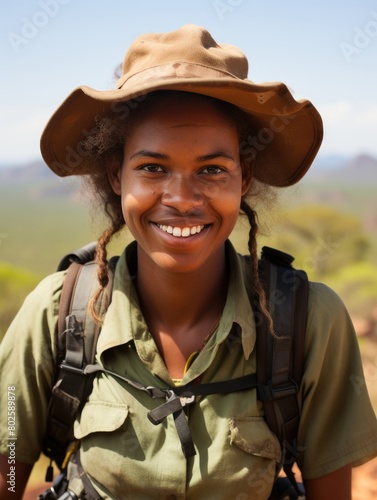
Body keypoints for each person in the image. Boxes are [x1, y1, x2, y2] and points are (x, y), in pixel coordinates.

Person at [0, 24, 376, 500]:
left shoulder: (307, 322)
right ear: (117, 176)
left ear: (245, 177)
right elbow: (9, 471)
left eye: (212, 169)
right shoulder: (58, 315)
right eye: (153, 168)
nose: (181, 198)